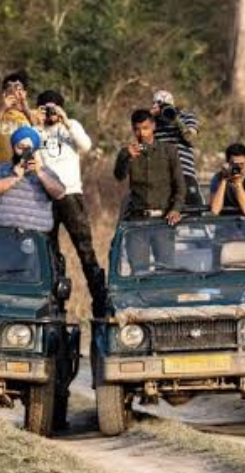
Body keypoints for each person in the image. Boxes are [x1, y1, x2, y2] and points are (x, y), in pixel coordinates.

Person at [34, 89, 108, 317]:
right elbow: (24, 151)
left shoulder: (71, 125)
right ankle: (55, 303)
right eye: (46, 108)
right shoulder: (35, 130)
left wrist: (66, 121)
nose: (50, 113)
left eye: (54, 108)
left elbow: (86, 146)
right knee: (48, 250)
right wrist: (35, 123)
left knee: (85, 248)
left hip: (71, 194)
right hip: (44, 196)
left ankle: (100, 300)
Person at [114, 109, 184, 273]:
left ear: (153, 126)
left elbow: (180, 185)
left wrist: (176, 209)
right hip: (138, 221)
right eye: (137, 129)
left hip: (163, 220)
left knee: (166, 272)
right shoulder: (128, 152)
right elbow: (119, 176)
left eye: (145, 128)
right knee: (139, 272)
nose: (141, 133)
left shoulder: (168, 151)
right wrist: (126, 157)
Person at [0, 126, 65, 233]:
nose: (24, 152)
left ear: (34, 149)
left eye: (28, 148)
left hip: (35, 234)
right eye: (20, 147)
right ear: (13, 147)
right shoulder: (2, 169)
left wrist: (40, 173)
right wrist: (14, 177)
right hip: (1, 231)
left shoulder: (45, 171)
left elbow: (60, 194)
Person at [150, 90, 201, 206]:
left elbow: (190, 137)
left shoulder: (186, 117)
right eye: (158, 104)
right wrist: (150, 117)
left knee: (195, 210)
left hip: (185, 174)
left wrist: (175, 119)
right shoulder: (152, 124)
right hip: (162, 177)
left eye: (165, 105)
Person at [0, 70, 33, 168]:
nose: (13, 91)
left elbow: (43, 135)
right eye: (9, 88)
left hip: (26, 173)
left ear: (25, 93)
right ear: (3, 93)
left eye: (17, 88)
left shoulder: (33, 114)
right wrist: (2, 109)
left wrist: (26, 110)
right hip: (0, 173)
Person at [209, 142, 245, 215]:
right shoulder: (218, 177)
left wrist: (238, 183)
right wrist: (224, 180)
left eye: (241, 164)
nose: (238, 168)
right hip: (226, 221)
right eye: (234, 164)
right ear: (227, 163)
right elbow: (215, 210)